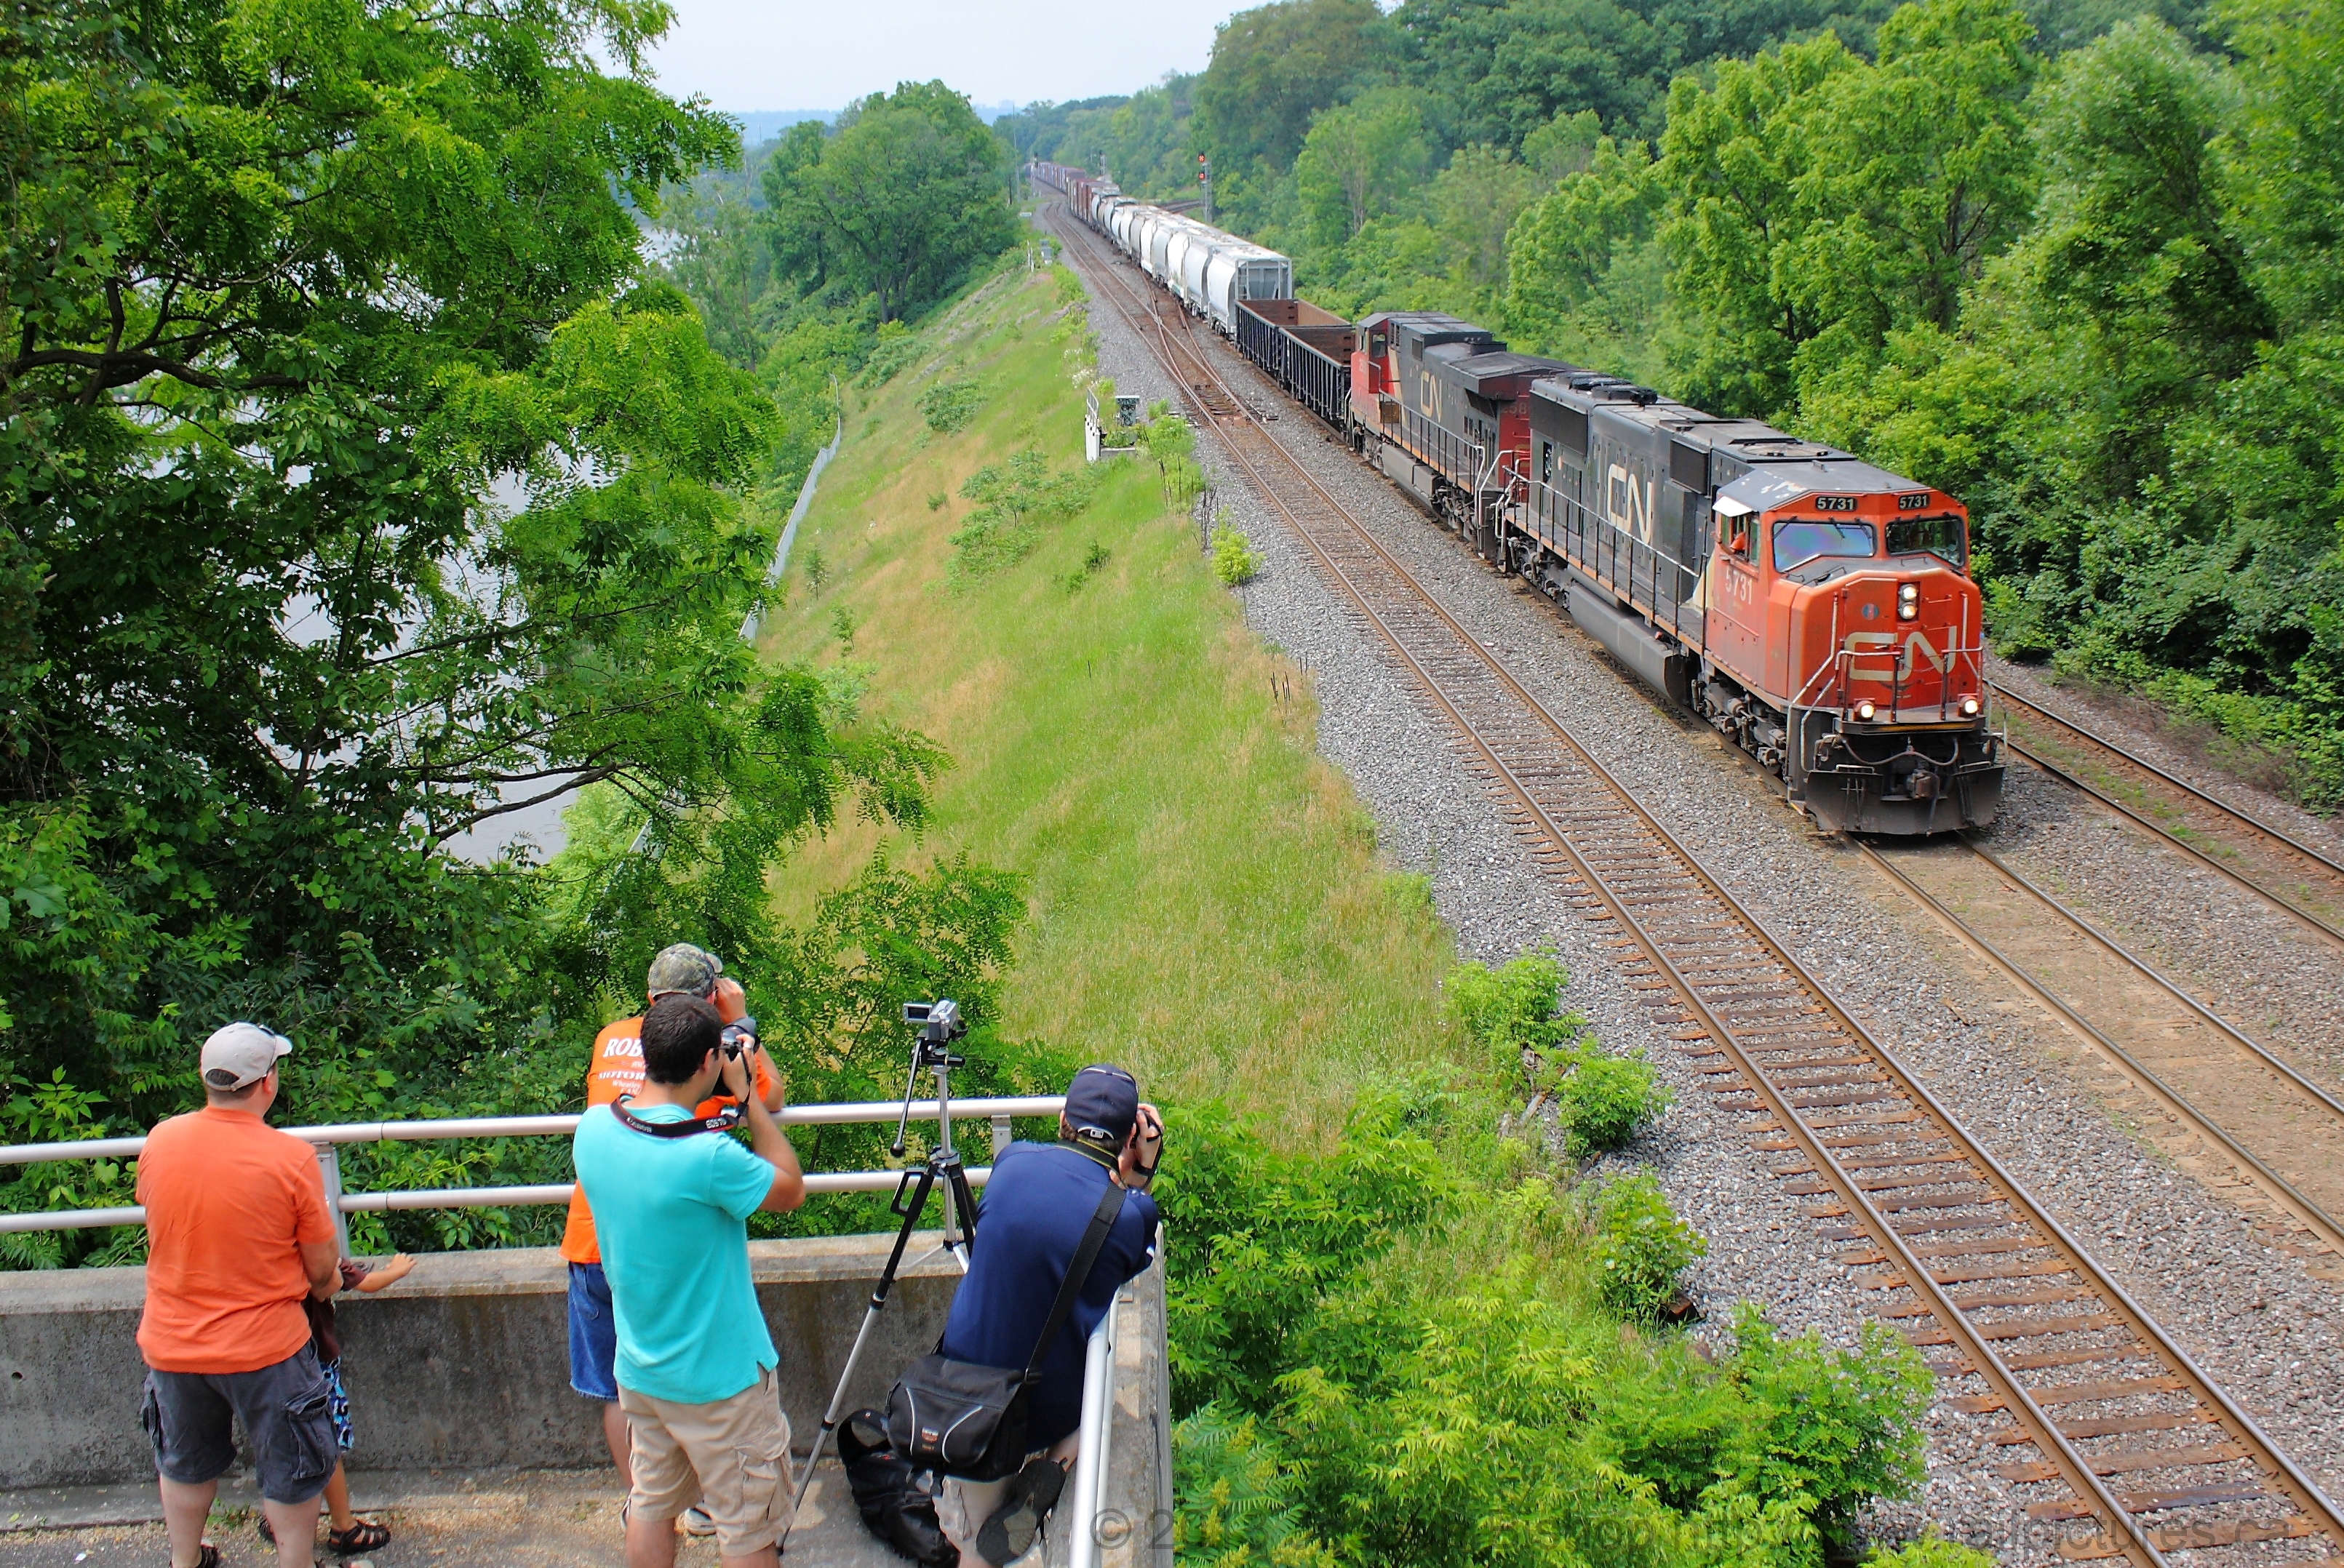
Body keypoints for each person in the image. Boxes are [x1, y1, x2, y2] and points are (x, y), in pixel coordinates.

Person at [573, 993, 807, 1568]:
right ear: (709, 1062)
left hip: (643, 1371)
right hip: (720, 1382)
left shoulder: (594, 1131)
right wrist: (747, 1097)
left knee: (651, 1504)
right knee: (747, 1530)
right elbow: (789, 1188)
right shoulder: (707, 1158)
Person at [933, 1064, 1163, 1567]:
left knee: (976, 1551)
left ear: (1062, 1119)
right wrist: (1140, 1171)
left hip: (966, 1397)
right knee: (1099, 1401)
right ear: (1130, 1137)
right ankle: (1056, 1463)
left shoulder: (1012, 1162)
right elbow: (1132, 1234)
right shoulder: (1129, 1216)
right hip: (1047, 1409)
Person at [135, 1023, 343, 1568]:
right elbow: (321, 1265)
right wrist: (327, 1286)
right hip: (266, 1350)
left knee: (183, 1463)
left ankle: (186, 1560)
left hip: (173, 1343)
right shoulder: (289, 1157)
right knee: (292, 1469)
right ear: (267, 1083)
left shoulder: (161, 1140)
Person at [256, 1252, 416, 1554]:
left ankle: (278, 1520)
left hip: (269, 1363)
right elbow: (364, 1282)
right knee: (326, 1445)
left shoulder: (261, 1252)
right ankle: (344, 1527)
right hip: (314, 1366)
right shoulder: (309, 1254)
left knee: (280, 1444)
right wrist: (397, 1271)